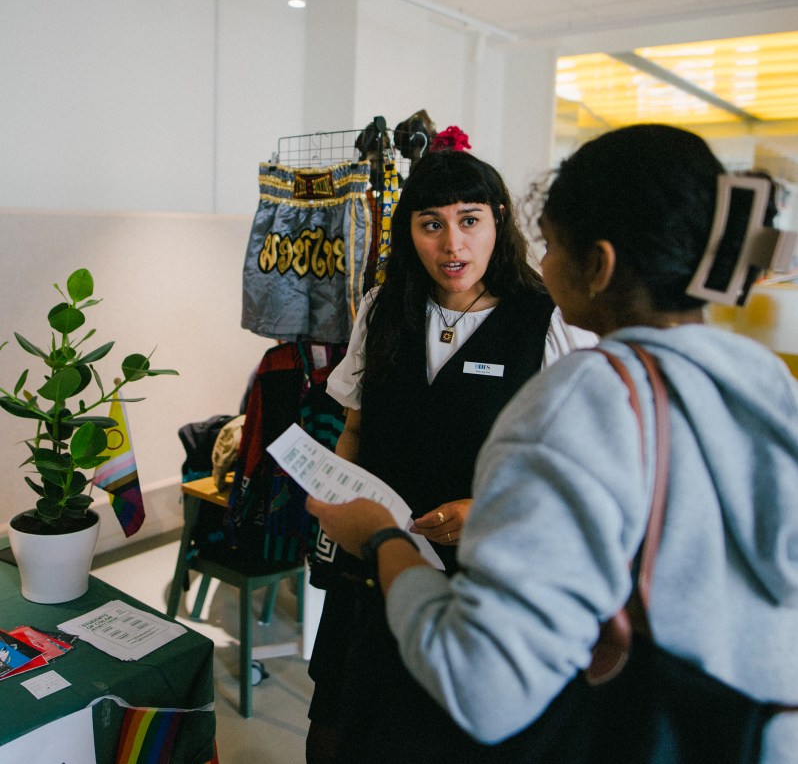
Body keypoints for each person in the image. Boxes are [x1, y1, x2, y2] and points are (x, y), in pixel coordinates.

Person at [307, 124, 798, 762]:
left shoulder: (579, 398)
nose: (541, 263)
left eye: (553, 244)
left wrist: (382, 540)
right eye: (431, 224)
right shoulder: (762, 381)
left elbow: (481, 682)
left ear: (598, 265)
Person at [306, 148, 597, 763]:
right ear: (409, 231)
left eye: (469, 220)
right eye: (431, 224)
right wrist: (335, 492)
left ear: (499, 222)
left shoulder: (543, 321)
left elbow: (568, 468)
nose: (451, 244)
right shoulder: (384, 308)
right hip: (371, 556)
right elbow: (355, 428)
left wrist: (483, 509)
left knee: (436, 732)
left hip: (478, 574)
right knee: (340, 719)